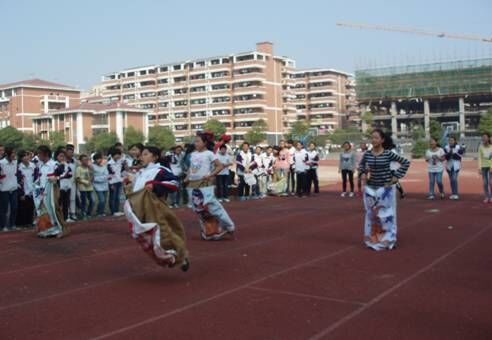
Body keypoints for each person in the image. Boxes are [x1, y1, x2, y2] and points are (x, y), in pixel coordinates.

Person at [124, 145, 189, 271]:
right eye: (142, 154)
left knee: (163, 233)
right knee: (145, 235)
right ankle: (170, 256)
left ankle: (180, 254)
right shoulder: (141, 172)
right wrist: (129, 184)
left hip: (155, 206)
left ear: (155, 157)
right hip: (139, 208)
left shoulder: (160, 170)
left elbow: (174, 183)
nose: (142, 157)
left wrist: (155, 185)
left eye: (146, 154)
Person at [358, 129, 410, 251]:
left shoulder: (388, 154)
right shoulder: (367, 154)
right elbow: (361, 166)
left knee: (387, 214)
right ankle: (374, 238)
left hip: (386, 189)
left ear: (382, 140)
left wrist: (396, 176)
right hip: (371, 188)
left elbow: (405, 163)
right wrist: (362, 173)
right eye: (372, 137)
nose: (373, 140)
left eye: (376, 138)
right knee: (371, 215)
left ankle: (389, 239)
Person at [185, 131, 235, 240]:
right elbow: (190, 168)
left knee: (213, 207)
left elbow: (220, 166)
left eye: (198, 141)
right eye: (195, 141)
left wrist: (210, 175)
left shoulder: (209, 154)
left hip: (205, 185)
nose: (195, 143)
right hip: (193, 185)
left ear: (205, 142)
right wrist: (187, 178)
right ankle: (209, 230)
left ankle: (229, 226)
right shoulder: (193, 154)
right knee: (199, 209)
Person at [33, 145, 68, 238]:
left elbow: (65, 172)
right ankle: (48, 229)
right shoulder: (40, 165)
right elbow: (39, 178)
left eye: (40, 154)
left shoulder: (54, 164)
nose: (38, 155)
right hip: (42, 191)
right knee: (44, 211)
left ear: (46, 154)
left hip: (53, 189)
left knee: (54, 209)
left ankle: (62, 229)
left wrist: (57, 177)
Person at [0, 147, 19, 231]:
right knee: (4, 208)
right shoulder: (1, 163)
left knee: (14, 207)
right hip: (4, 188)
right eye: (13, 153)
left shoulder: (15, 162)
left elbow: (16, 173)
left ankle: (13, 224)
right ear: (8, 154)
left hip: (14, 188)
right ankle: (3, 225)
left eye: (15, 153)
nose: (14, 155)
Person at [16, 150, 36, 228]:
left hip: (32, 190)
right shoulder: (19, 167)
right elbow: (18, 181)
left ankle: (30, 222)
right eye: (24, 156)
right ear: (21, 158)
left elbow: (36, 178)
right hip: (23, 190)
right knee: (22, 208)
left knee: (31, 208)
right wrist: (21, 193)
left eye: (27, 155)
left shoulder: (33, 166)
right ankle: (22, 224)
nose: (26, 157)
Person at [54, 149, 73, 221]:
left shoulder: (67, 164)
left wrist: (63, 175)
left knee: (66, 202)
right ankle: (58, 218)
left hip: (67, 186)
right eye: (61, 156)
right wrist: (63, 175)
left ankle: (66, 217)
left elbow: (70, 174)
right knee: (58, 202)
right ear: (57, 157)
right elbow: (56, 175)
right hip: (59, 187)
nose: (62, 158)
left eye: (63, 156)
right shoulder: (56, 165)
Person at [107, 147, 125, 216]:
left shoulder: (120, 162)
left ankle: (117, 210)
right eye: (117, 154)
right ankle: (113, 211)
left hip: (119, 181)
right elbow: (109, 174)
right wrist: (110, 183)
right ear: (113, 155)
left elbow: (122, 171)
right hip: (112, 182)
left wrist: (122, 178)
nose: (118, 156)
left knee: (117, 197)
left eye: (119, 155)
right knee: (113, 197)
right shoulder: (109, 164)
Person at [76, 154, 94, 219]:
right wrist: (86, 182)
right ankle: (83, 213)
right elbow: (77, 179)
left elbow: (92, 176)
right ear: (80, 161)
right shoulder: (79, 168)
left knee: (92, 201)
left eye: (87, 160)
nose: (86, 161)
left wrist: (91, 171)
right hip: (83, 188)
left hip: (90, 187)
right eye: (84, 160)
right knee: (84, 201)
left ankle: (89, 213)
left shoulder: (89, 167)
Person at [64, 144, 78, 222]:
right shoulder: (63, 161)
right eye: (69, 152)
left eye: (72, 152)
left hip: (73, 182)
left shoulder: (74, 161)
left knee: (73, 198)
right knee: (66, 199)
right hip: (65, 183)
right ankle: (67, 214)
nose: (70, 154)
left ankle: (73, 213)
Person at [478, 132, 492, 203]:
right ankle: (487, 196)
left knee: (491, 182)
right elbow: (479, 158)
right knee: (485, 183)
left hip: (490, 166)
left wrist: (491, 167)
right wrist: (479, 168)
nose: (483, 138)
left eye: (485, 137)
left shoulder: (491, 147)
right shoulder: (481, 147)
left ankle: (491, 196)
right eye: (483, 137)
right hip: (483, 167)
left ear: (488, 138)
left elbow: (491, 158)